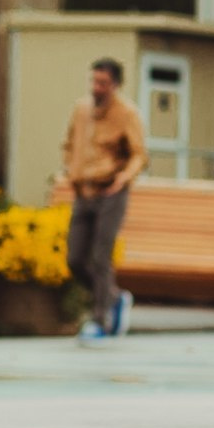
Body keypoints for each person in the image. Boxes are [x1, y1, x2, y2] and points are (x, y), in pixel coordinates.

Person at [62, 58, 146, 343]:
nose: (97, 88)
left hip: (111, 191)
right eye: (94, 81)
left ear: (115, 85)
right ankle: (113, 298)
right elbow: (70, 143)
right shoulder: (81, 109)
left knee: (100, 257)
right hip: (82, 191)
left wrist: (123, 179)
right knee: (74, 258)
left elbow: (139, 154)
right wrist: (69, 169)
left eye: (103, 83)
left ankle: (100, 319)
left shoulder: (126, 113)